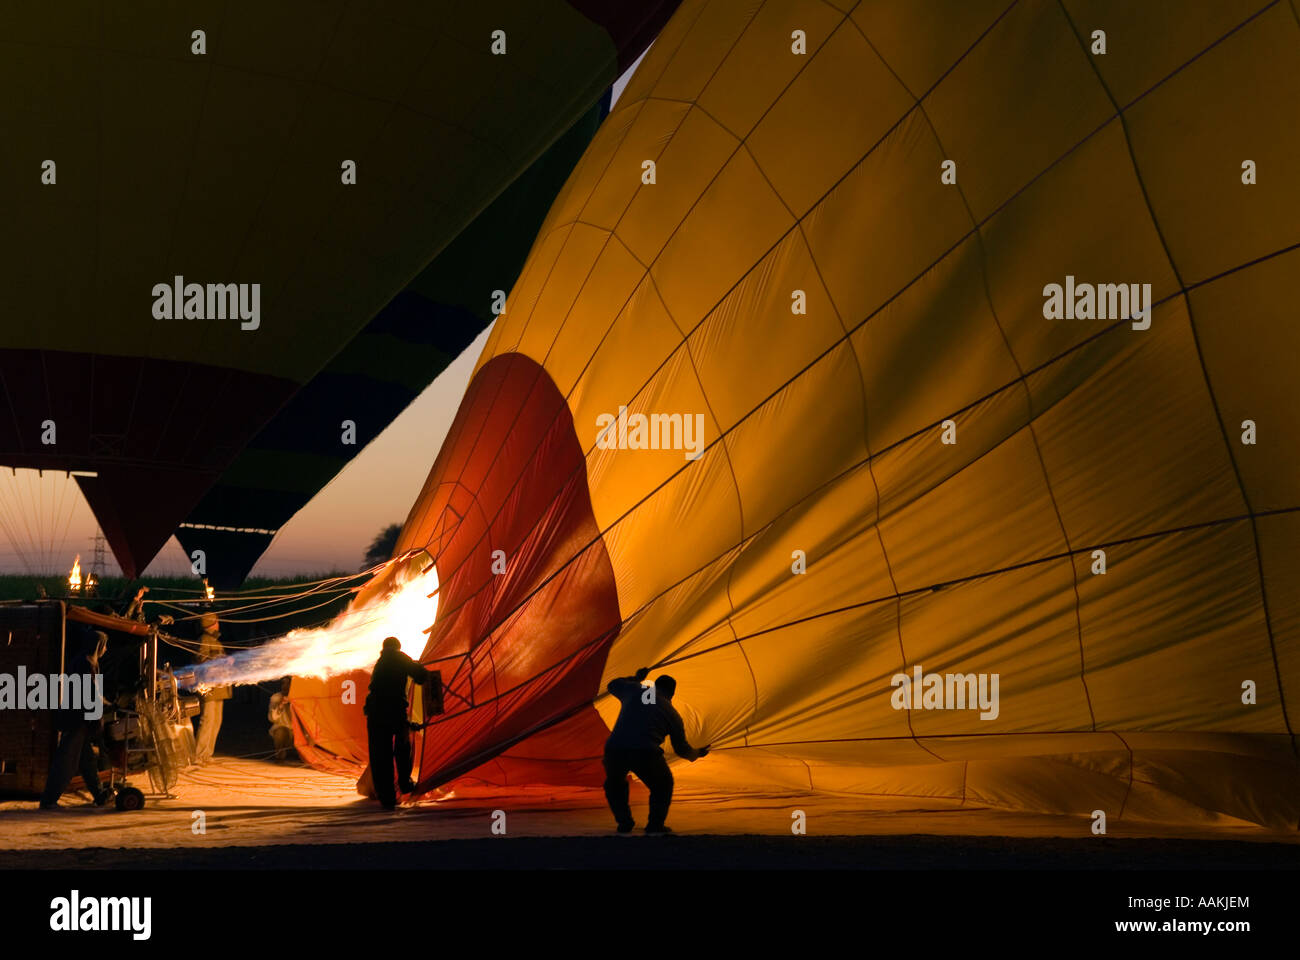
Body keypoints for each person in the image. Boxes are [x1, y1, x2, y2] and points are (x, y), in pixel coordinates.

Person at [603, 666, 709, 835]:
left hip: (615, 749)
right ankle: (655, 825)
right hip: (645, 752)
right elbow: (681, 749)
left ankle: (624, 823)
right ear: (672, 693)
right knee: (663, 785)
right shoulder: (672, 714)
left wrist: (636, 678)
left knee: (615, 783)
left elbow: (613, 684)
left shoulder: (636, 690)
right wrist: (697, 753)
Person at [40, 629, 112, 809]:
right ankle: (49, 800)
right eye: (104, 645)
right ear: (98, 645)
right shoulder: (86, 663)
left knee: (87, 761)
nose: (106, 649)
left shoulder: (85, 661)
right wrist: (101, 710)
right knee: (66, 761)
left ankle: (99, 794)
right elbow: (89, 692)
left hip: (79, 719)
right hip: (77, 719)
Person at [364, 637, 431, 810]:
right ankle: (405, 783)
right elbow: (421, 676)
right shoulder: (398, 657)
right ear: (397, 647)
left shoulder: (380, 662)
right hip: (393, 709)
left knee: (380, 754)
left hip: (374, 711)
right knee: (402, 747)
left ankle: (386, 797)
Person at [193, 612, 231, 763]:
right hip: (208, 685)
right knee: (207, 720)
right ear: (211, 623)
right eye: (216, 621)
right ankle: (198, 755)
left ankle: (207, 754)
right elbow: (201, 660)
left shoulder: (216, 641)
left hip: (219, 686)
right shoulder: (204, 640)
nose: (218, 623)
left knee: (216, 721)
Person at [268, 677, 295, 762]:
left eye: (288, 684)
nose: (285, 686)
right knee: (280, 732)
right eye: (283, 683)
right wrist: (280, 705)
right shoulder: (276, 697)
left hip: (299, 731)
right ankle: (280, 755)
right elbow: (272, 719)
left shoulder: (300, 697)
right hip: (285, 729)